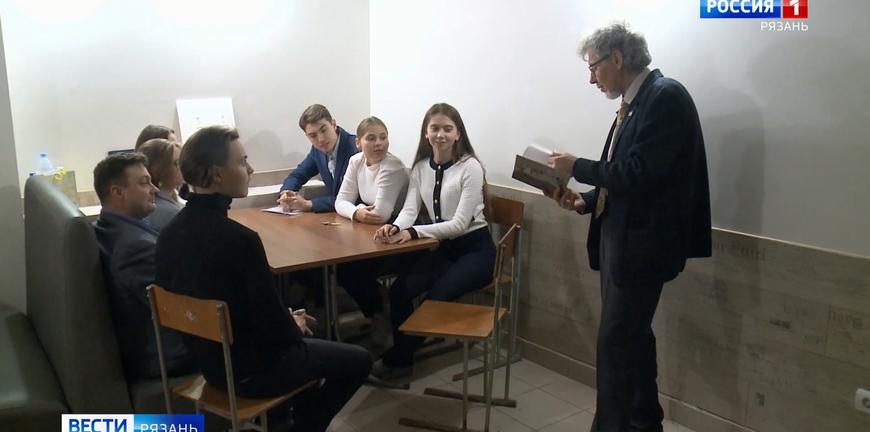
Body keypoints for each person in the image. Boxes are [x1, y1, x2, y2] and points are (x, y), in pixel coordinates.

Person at [547, 23, 712, 432]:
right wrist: (585, 201)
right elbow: (626, 179)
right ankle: (644, 421)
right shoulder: (635, 103)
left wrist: (576, 166)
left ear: (617, 58)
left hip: (642, 247)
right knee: (634, 339)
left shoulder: (665, 96)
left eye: (593, 68)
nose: (592, 79)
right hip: (621, 242)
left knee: (616, 345)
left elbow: (641, 172)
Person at [155, 125, 371, 432]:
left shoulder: (168, 235)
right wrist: (291, 322)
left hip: (211, 367)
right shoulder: (240, 240)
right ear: (217, 175)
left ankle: (289, 420)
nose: (250, 169)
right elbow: (275, 327)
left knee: (310, 335)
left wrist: (285, 320)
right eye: (242, 161)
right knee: (358, 359)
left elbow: (218, 304)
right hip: (254, 371)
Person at [371, 103, 496, 380]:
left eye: (447, 129)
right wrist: (395, 226)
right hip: (445, 250)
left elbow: (460, 224)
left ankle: (398, 359)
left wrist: (414, 232)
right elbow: (410, 210)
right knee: (399, 290)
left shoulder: (470, 167)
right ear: (426, 133)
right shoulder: (420, 167)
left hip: (475, 251)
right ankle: (403, 358)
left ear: (458, 133)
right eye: (435, 128)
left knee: (434, 299)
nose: (441, 134)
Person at [92, 152, 190, 379]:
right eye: (145, 183)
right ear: (118, 192)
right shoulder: (133, 247)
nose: (154, 189)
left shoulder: (108, 226)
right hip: (168, 356)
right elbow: (175, 307)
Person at [333, 116, 409, 348]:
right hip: (370, 233)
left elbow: (381, 215)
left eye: (383, 137)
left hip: (398, 236)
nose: (379, 143)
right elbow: (340, 201)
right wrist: (357, 212)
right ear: (358, 143)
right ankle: (377, 311)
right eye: (371, 138)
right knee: (341, 267)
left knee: (351, 269)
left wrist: (355, 210)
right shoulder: (356, 161)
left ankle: (379, 314)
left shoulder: (392, 166)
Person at [279, 104, 358, 213]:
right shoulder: (317, 151)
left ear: (333, 124)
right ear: (307, 136)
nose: (321, 139)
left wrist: (310, 204)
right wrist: (287, 193)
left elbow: (357, 198)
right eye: (313, 136)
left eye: (324, 130)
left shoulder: (357, 148)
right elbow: (298, 175)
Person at [138, 138, 184, 232]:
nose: (182, 167)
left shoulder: (172, 195)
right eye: (176, 163)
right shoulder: (167, 211)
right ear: (158, 170)